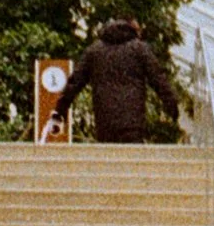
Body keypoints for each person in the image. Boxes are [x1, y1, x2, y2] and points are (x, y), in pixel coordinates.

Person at [41, 16, 178, 143]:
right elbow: (158, 78)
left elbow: (75, 82)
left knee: (108, 161)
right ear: (134, 30)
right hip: (133, 121)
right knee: (131, 162)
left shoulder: (94, 51)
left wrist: (61, 110)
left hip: (104, 119)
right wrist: (171, 104)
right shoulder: (140, 49)